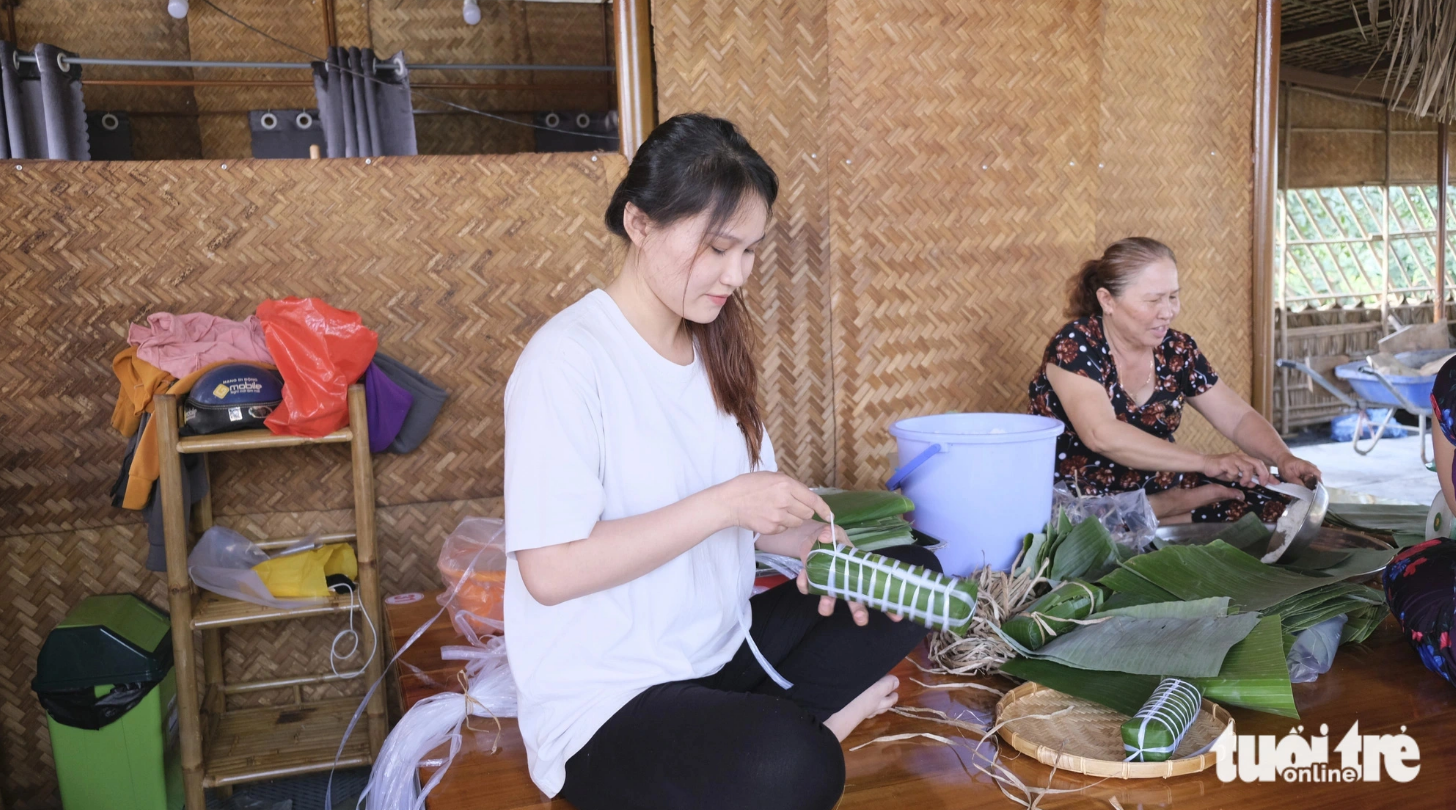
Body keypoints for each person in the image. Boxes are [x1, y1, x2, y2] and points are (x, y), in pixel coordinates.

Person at [502, 113, 940, 810]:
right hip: (611, 701)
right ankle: (818, 728)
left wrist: (809, 544)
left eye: (750, 251)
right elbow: (549, 571)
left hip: (720, 653)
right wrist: (723, 505)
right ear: (640, 224)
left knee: (908, 574)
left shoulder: (712, 346)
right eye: (717, 248)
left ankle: (779, 729)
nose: (736, 274)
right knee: (793, 766)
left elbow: (752, 522)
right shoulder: (567, 361)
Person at [1027, 237, 1322, 524]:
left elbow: (1237, 417)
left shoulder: (1177, 349)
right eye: (1153, 300)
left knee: (1276, 506)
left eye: (1173, 296)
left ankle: (1162, 512)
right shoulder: (1076, 343)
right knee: (1079, 530)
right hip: (1080, 497)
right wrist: (1207, 463)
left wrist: (1282, 458)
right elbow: (1101, 434)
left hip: (1156, 482)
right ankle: (1168, 509)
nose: (1167, 312)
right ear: (1107, 300)